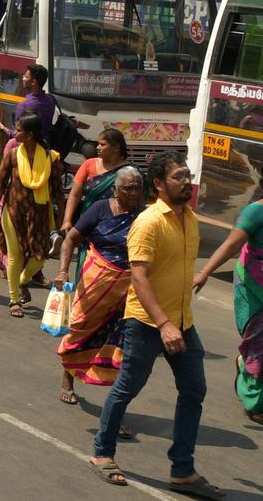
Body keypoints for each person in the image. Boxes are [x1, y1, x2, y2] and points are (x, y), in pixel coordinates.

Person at [88, 152, 221, 498]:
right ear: (159, 185)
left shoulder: (189, 218)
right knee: (128, 386)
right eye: (179, 177)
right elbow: (140, 279)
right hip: (148, 322)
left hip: (182, 322)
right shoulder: (148, 222)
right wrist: (163, 324)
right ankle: (103, 452)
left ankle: (182, 470)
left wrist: (175, 321)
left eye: (188, 175)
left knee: (194, 390)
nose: (187, 182)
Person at [54, 167, 145, 437]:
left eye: (138, 187)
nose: (133, 193)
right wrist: (62, 270)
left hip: (128, 293)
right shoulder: (100, 209)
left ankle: (115, 413)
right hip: (95, 283)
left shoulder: (144, 216)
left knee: (122, 348)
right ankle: (68, 379)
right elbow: (71, 238)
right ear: (116, 189)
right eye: (128, 188)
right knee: (79, 332)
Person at [193, 198, 263, 426]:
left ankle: (244, 364)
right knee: (258, 345)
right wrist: (204, 272)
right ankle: (254, 404)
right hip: (253, 286)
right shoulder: (255, 212)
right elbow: (231, 245)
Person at [0, 113, 63, 318]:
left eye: (19, 130)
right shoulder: (12, 155)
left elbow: (57, 191)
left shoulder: (51, 158)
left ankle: (21, 282)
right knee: (15, 256)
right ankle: (14, 299)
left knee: (39, 258)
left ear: (29, 135)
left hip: (39, 215)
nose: (15, 133)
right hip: (13, 213)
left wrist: (63, 219)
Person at [60, 129, 135, 279]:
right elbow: (75, 194)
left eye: (102, 144)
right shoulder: (89, 164)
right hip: (88, 225)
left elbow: (138, 202)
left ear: (116, 147)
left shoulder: (131, 172)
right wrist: (67, 220)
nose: (97, 148)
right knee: (86, 266)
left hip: (116, 227)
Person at [0, 64, 58, 146]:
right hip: (45, 147)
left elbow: (17, 135)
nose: (23, 78)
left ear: (33, 82)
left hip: (28, 151)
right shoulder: (51, 99)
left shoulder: (24, 106)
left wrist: (1, 128)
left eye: (26, 77)